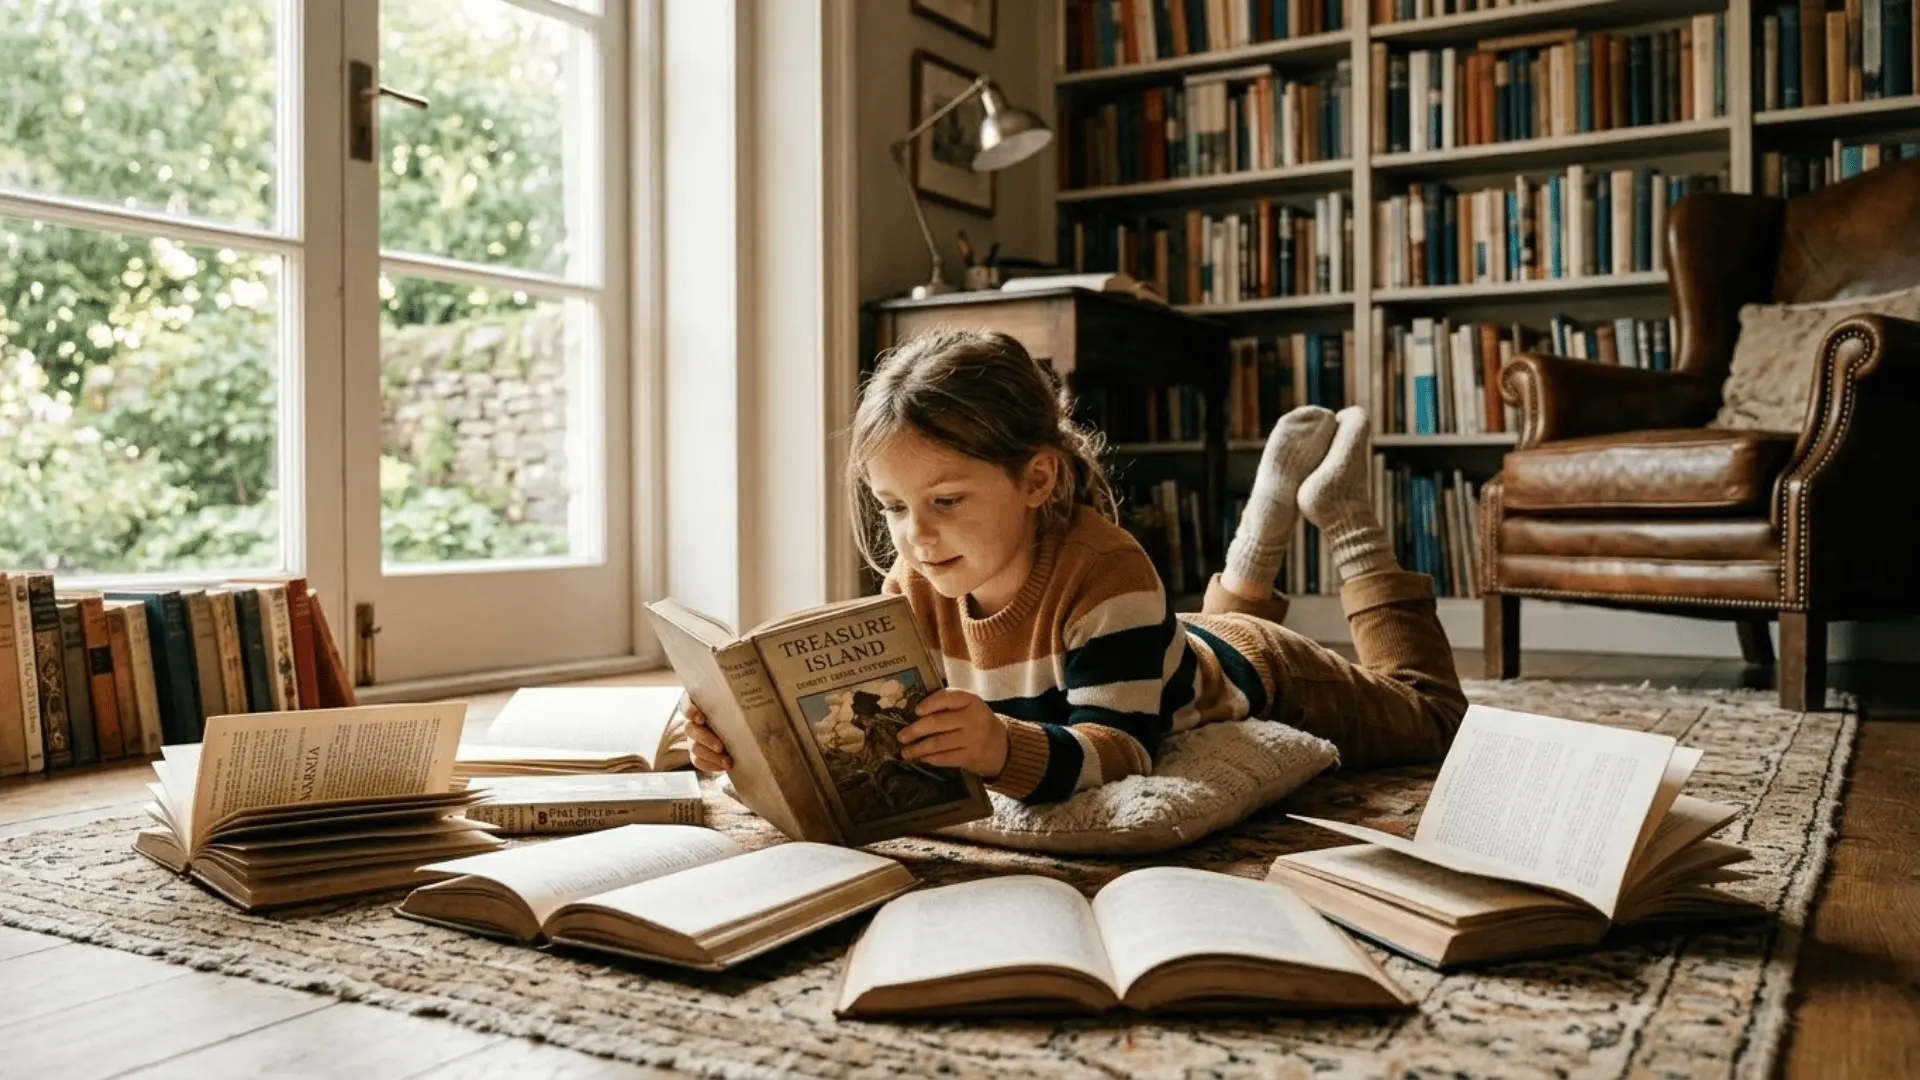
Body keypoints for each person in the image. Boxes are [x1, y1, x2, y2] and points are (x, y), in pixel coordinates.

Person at [684, 328, 1467, 804]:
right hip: (1152, 645)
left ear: (1036, 479)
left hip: (1257, 669)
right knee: (1171, 635)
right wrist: (738, 735)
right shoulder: (914, 583)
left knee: (1433, 722)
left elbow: (1126, 751)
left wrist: (1000, 749)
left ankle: (1343, 515)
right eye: (892, 507)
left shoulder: (1107, 569)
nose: (914, 537)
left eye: (947, 501)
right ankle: (1259, 533)